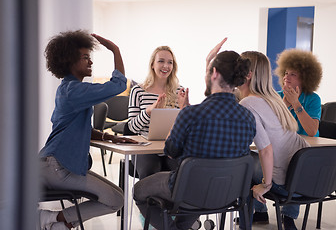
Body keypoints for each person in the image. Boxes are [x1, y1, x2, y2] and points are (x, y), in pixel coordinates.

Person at [133, 38, 256, 230]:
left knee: (139, 190)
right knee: (198, 183)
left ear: (213, 73)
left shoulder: (191, 113)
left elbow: (171, 150)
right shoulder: (248, 117)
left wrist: (180, 117)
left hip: (190, 189)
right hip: (228, 192)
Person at [38, 30, 137, 230]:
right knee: (116, 200)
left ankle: (60, 224)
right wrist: (114, 50)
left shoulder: (69, 89)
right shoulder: (75, 91)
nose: (90, 62)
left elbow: (78, 128)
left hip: (53, 165)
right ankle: (52, 218)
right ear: (69, 61)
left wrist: (111, 138)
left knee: (117, 195)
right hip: (58, 167)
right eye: (85, 58)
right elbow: (118, 85)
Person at [237, 51, 310, 230]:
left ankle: (248, 222)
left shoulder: (248, 104)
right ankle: (259, 213)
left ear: (248, 74)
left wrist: (265, 185)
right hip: (310, 181)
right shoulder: (275, 99)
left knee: (242, 164)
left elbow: (266, 150)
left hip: (287, 186)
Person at [126, 46, 189, 179]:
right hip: (144, 147)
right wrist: (150, 111)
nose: (166, 66)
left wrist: (186, 110)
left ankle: (171, 201)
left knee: (182, 171)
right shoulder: (138, 91)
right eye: (161, 61)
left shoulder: (179, 91)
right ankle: (147, 200)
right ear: (152, 65)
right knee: (150, 171)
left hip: (170, 146)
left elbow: (185, 126)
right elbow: (132, 127)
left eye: (170, 62)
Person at [275, 48, 323, 137]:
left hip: (308, 147)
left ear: (304, 78)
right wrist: (284, 105)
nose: (286, 77)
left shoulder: (313, 99)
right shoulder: (276, 96)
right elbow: (270, 128)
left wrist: (295, 103)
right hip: (283, 145)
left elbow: (312, 131)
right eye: (286, 73)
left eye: (293, 74)